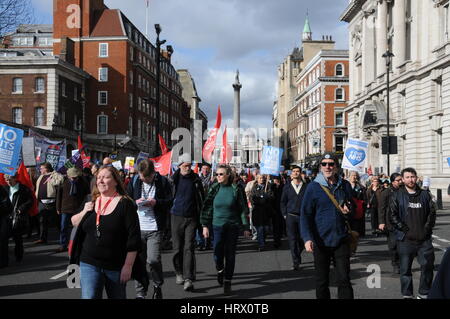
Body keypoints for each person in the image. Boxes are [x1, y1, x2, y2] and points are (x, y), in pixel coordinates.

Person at [71, 166, 141, 299]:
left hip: (115, 265)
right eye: (99, 178)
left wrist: (128, 266)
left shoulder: (126, 204)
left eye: (106, 177)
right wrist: (85, 211)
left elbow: (134, 238)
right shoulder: (90, 200)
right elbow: (74, 222)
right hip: (89, 262)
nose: (101, 181)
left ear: (116, 181)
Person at [300, 153, 355, 299]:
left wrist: (349, 210)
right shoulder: (313, 187)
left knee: (344, 279)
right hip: (320, 240)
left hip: (341, 239)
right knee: (322, 281)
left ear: (336, 167)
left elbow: (354, 210)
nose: (328, 167)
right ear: (320, 167)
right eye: (324, 164)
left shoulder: (345, 185)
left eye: (331, 164)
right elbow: (305, 215)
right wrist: (307, 238)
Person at [200, 164, 251, 295]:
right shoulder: (214, 188)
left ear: (228, 175)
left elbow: (242, 209)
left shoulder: (236, 189)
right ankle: (220, 270)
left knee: (230, 254)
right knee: (217, 253)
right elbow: (207, 208)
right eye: (217, 174)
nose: (218, 176)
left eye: (221, 174)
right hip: (217, 226)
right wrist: (205, 225)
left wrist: (246, 227)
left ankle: (228, 281)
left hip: (232, 226)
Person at [127, 159, 173, 299]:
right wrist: (135, 202)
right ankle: (140, 293)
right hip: (138, 227)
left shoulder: (163, 182)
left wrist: (156, 202)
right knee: (139, 263)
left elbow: (170, 202)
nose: (144, 180)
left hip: (155, 228)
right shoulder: (135, 181)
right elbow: (127, 200)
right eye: (141, 177)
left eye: (146, 177)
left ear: (153, 173)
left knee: (153, 260)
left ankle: (157, 284)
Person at [390, 167, 436, 299]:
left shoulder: (425, 195)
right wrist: (403, 229)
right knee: (405, 270)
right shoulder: (397, 195)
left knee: (427, 267)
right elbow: (392, 215)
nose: (411, 179)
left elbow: (431, 214)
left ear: (416, 178)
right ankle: (407, 294)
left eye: (413, 176)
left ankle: (424, 293)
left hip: (424, 239)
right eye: (408, 177)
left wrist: (427, 229)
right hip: (405, 240)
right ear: (403, 179)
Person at [170, 154, 204, 292]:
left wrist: (202, 219)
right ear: (179, 166)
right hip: (176, 216)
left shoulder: (196, 180)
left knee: (189, 248)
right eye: (185, 166)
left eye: (190, 165)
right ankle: (179, 272)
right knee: (177, 248)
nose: (188, 168)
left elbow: (202, 198)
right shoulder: (173, 180)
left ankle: (188, 278)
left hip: (192, 217)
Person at [56, 168, 90, 253]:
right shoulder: (64, 183)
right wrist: (58, 208)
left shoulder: (83, 183)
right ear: (68, 176)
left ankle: (78, 244)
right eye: (72, 177)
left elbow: (87, 195)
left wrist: (85, 207)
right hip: (65, 208)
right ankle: (63, 244)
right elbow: (58, 196)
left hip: (78, 208)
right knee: (64, 227)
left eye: (75, 177)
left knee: (78, 227)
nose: (74, 179)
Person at [280, 165, 307, 270]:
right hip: (291, 216)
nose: (296, 173)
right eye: (294, 171)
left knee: (302, 239)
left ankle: (298, 253)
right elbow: (283, 202)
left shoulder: (306, 186)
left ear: (300, 173)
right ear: (291, 174)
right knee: (292, 239)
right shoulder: (287, 187)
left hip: (303, 217)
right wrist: (284, 214)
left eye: (298, 171)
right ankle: (295, 261)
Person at [378, 173, 403, 275]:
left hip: (403, 222)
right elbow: (381, 208)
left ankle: (403, 263)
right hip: (390, 223)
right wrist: (381, 222)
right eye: (398, 180)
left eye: (401, 180)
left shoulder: (404, 191)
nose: (401, 182)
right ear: (393, 182)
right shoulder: (387, 192)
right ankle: (395, 263)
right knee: (393, 245)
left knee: (403, 245)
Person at [34, 162, 64, 244]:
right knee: (42, 221)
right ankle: (42, 238)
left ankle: (64, 238)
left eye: (41, 168)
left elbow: (60, 181)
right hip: (41, 202)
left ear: (46, 169)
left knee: (56, 221)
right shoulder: (41, 176)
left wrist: (51, 180)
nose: (40, 170)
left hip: (51, 203)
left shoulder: (55, 174)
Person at [250, 175, 274, 251]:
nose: (262, 179)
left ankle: (263, 240)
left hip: (266, 211)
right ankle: (261, 244)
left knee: (266, 229)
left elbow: (271, 197)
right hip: (257, 211)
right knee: (260, 228)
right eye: (260, 178)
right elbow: (252, 198)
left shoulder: (268, 187)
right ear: (257, 179)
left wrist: (265, 197)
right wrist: (261, 200)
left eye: (263, 178)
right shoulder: (254, 187)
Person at [347, 171, 366, 238]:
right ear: (349, 176)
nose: (354, 177)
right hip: (348, 208)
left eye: (355, 175)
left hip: (358, 208)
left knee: (357, 223)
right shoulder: (345, 185)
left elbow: (364, 198)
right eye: (352, 175)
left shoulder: (361, 187)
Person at [0, 186, 13, 268]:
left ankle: (3, 262)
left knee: (2, 241)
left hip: (2, 219)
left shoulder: (1, 190)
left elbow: (8, 206)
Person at [271, 175, 284, 249]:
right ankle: (276, 241)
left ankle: (279, 237)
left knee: (280, 225)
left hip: (281, 208)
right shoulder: (271, 187)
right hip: (274, 209)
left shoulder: (283, 186)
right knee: (275, 226)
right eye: (274, 179)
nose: (275, 180)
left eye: (276, 179)